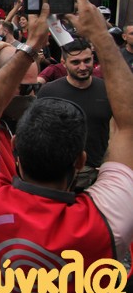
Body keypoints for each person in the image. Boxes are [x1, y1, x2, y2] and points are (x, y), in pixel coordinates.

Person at [0, 0, 133, 293]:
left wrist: (30, 45)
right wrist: (102, 37)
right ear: (80, 161)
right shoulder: (105, 220)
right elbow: (129, 124)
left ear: (15, 148)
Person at [36, 37, 112, 190]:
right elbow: (40, 131)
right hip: (62, 174)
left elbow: (118, 129)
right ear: (63, 63)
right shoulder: (49, 91)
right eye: (76, 62)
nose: (83, 67)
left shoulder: (108, 90)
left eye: (87, 60)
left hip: (101, 172)